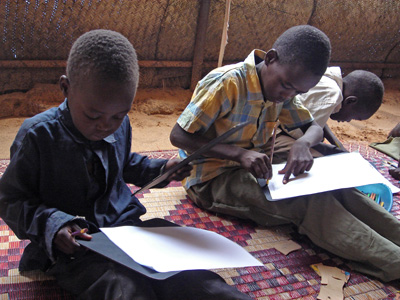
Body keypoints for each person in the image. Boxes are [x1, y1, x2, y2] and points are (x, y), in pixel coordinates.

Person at [0, 30, 252, 300]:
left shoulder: (121, 126)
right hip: (79, 246)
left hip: (126, 230)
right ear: (66, 88)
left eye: (119, 116)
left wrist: (159, 170)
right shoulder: (37, 135)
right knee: (126, 291)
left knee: (199, 283)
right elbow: (10, 200)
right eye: (93, 115)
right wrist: (55, 223)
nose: (106, 126)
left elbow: (123, 163)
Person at [170, 25, 400, 283]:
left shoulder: (286, 85)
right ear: (270, 58)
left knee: (337, 186)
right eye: (286, 86)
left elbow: (313, 127)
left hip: (255, 165)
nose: (288, 95)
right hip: (211, 178)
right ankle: (394, 263)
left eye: (298, 92)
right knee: (308, 202)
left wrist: (302, 143)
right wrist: (239, 155)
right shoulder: (226, 83)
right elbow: (179, 136)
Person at [270, 67, 384, 162]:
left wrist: (338, 145)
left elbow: (311, 119)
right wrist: (333, 151)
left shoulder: (328, 79)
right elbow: (300, 135)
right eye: (354, 117)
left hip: (277, 124)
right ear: (350, 101)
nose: (348, 121)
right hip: (271, 133)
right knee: (321, 161)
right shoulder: (332, 96)